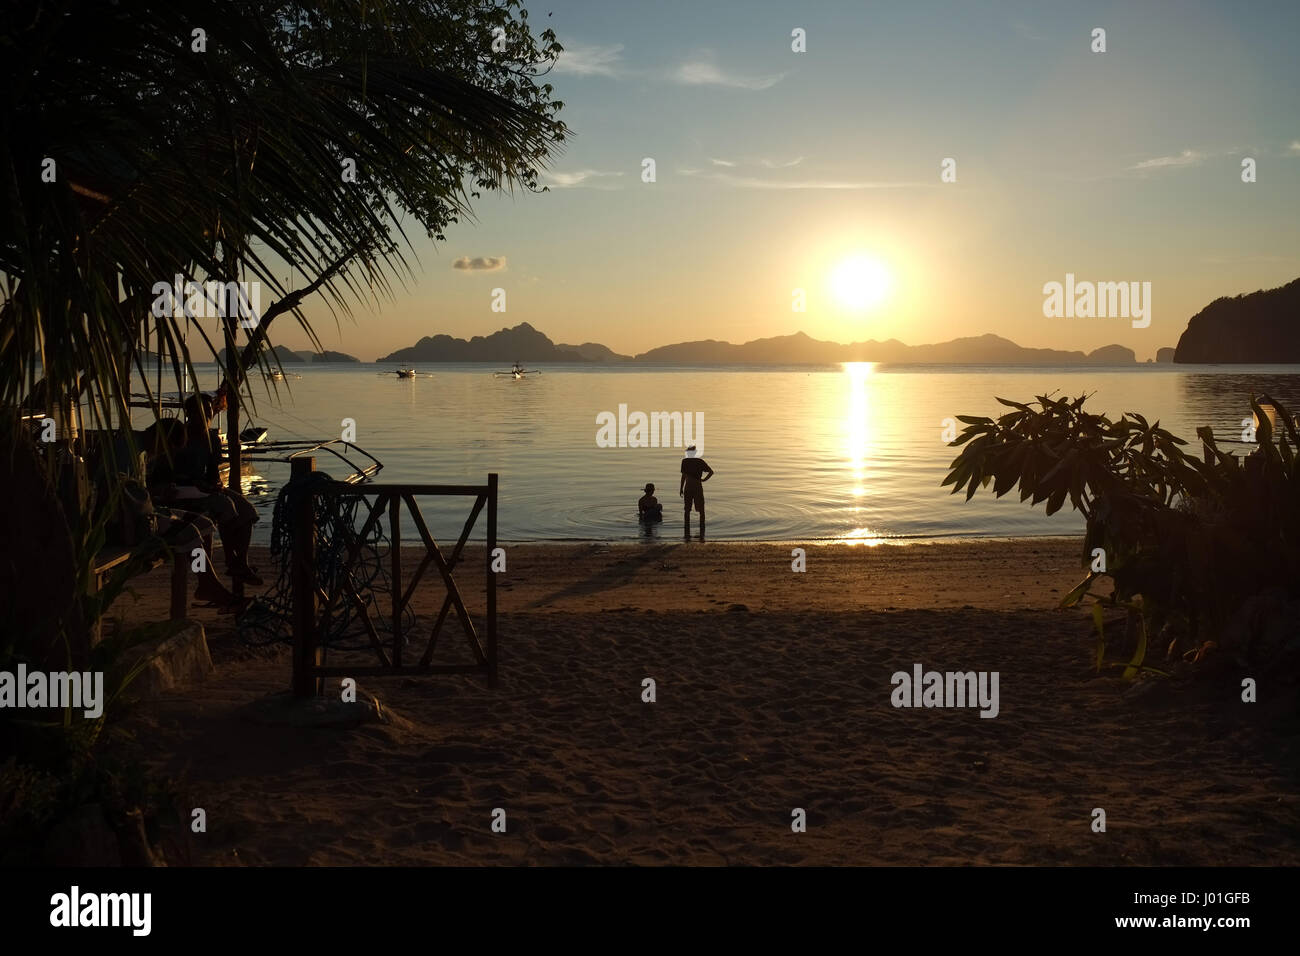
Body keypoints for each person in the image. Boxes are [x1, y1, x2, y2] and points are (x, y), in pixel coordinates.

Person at [147, 396, 262, 587]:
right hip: (178, 493)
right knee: (216, 516)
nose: (204, 417)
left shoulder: (212, 439)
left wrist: (214, 483)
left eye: (208, 412)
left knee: (247, 511)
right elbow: (160, 474)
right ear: (189, 415)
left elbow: (212, 472)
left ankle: (237, 562)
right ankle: (209, 577)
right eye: (198, 413)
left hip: (202, 490)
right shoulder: (178, 436)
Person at [679, 445, 714, 540]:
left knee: (687, 510)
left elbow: (683, 476)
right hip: (697, 486)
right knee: (701, 510)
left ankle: (687, 533)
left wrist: (681, 488)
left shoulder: (684, 461)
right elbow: (711, 472)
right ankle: (702, 532)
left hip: (688, 486)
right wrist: (704, 480)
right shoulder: (699, 462)